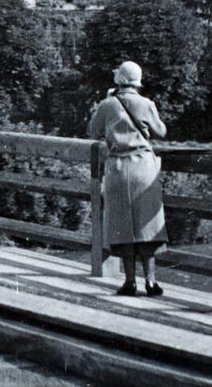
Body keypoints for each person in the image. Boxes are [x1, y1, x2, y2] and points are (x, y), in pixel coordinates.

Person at [87, 60, 168, 296]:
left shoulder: (107, 104)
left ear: (119, 79)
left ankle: (130, 281)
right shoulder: (146, 104)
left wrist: (107, 103)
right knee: (147, 226)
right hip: (143, 167)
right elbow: (161, 132)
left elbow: (92, 131)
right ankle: (151, 281)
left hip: (118, 168)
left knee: (122, 227)